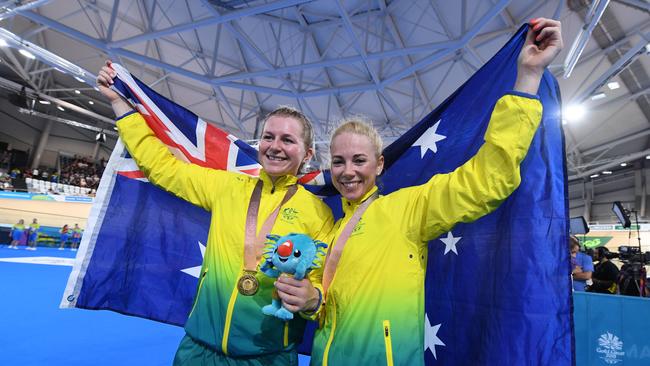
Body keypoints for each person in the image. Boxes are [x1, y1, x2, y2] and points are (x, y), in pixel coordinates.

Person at [295, 18, 564, 366]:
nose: (347, 172)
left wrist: (527, 76)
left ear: (379, 165)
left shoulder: (408, 210)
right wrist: (312, 300)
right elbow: (321, 301)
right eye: (339, 161)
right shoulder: (331, 232)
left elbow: (486, 180)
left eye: (359, 160)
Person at [96, 63, 334, 366]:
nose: (275, 146)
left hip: (267, 357)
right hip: (199, 350)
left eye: (288, 140)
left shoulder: (318, 214)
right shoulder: (228, 186)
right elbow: (163, 169)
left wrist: (311, 299)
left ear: (307, 154)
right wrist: (120, 105)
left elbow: (321, 287)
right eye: (268, 137)